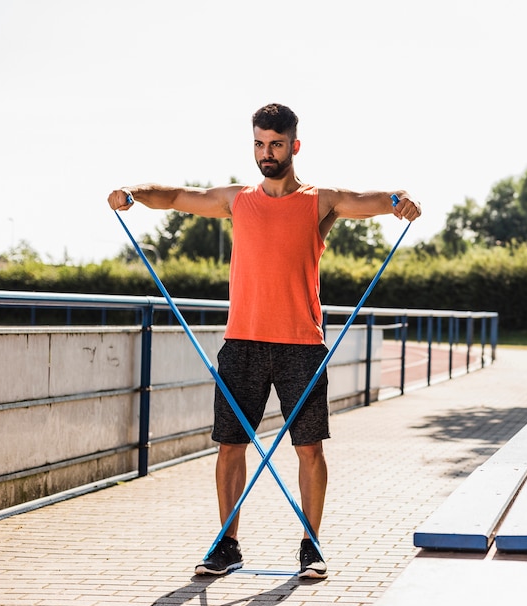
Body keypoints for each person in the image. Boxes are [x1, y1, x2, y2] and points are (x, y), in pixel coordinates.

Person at [108, 102, 421, 578]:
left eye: (276, 144)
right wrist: (132, 193)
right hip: (243, 343)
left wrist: (401, 200)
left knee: (309, 448)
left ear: (294, 146)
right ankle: (226, 545)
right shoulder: (237, 199)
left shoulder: (321, 200)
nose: (266, 152)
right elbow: (174, 196)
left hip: (301, 345)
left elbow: (375, 199)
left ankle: (310, 545)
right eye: (259, 143)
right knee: (230, 445)